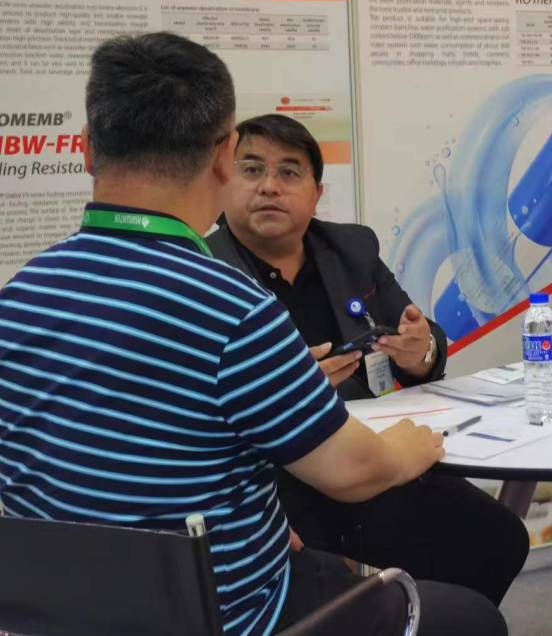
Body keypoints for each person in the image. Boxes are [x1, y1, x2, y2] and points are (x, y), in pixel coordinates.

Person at [0, 33, 508, 636]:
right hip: (234, 616)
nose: (270, 187)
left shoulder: (20, 295)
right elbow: (353, 471)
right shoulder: (231, 306)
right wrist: (410, 445)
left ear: (86, 149)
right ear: (225, 156)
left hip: (64, 614)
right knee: (471, 620)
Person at [208, 113, 529, 607]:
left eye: (289, 172)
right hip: (274, 481)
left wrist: (419, 351)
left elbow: (421, 337)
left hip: (370, 456)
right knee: (331, 589)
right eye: (251, 170)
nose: (269, 186)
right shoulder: (202, 269)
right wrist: (291, 391)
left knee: (497, 538)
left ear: (316, 192)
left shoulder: (350, 249)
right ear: (224, 180)